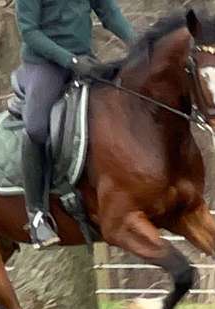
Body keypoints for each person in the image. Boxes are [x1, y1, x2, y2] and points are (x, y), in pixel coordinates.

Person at [15, 0, 135, 249]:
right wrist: (69, 60)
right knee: (36, 128)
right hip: (45, 64)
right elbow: (30, 32)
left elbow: (108, 12)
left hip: (84, 59)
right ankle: (36, 214)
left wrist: (139, 44)